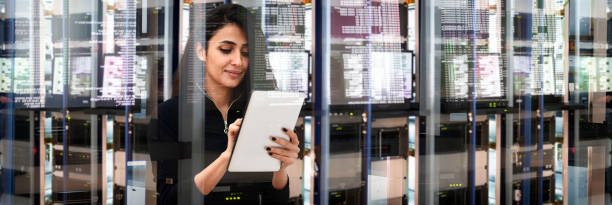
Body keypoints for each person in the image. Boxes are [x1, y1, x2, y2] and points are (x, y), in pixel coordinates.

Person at [153, 3, 300, 204]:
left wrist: (281, 168)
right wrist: (227, 157)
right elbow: (168, 199)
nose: (238, 61)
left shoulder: (259, 111)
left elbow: (275, 199)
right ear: (201, 51)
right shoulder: (167, 115)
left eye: (246, 53)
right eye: (226, 49)